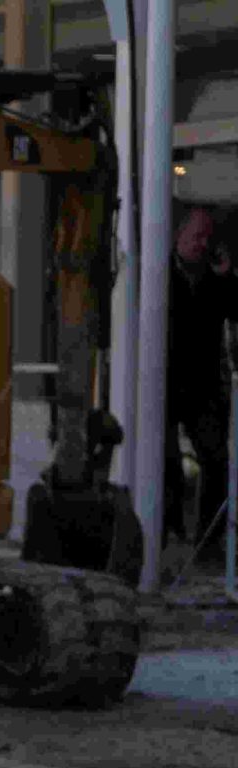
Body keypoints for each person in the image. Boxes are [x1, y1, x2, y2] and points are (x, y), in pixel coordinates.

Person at [167, 207, 238, 555]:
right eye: (196, 236)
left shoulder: (213, 279)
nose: (202, 244)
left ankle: (208, 541)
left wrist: (226, 276)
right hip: (165, 382)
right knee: (165, 463)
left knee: (216, 459)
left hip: (203, 385)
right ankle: (171, 531)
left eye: (207, 238)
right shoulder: (160, 272)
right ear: (179, 236)